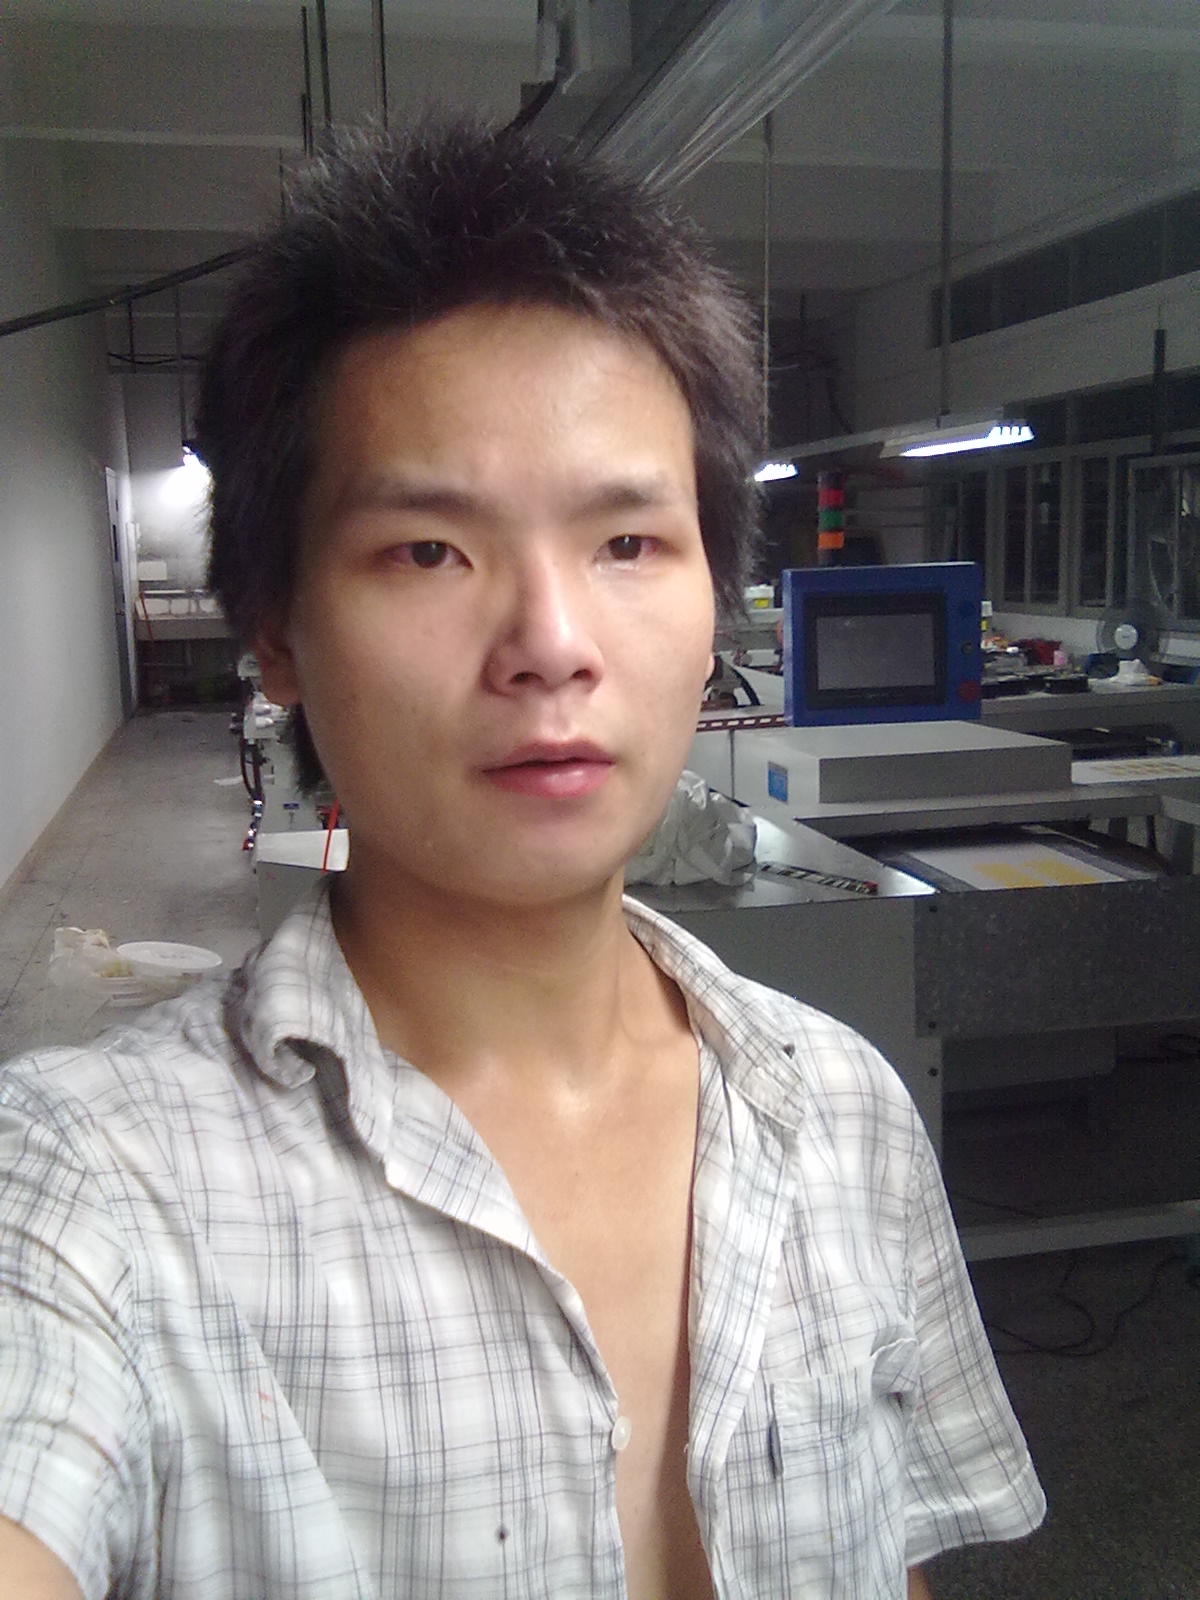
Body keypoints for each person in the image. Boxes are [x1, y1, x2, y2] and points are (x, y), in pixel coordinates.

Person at [0, 121, 1044, 1600]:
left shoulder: (842, 1113)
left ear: (713, 597)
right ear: (277, 632)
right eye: (429, 550)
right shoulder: (86, 1190)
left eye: (628, 544)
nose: (551, 644)